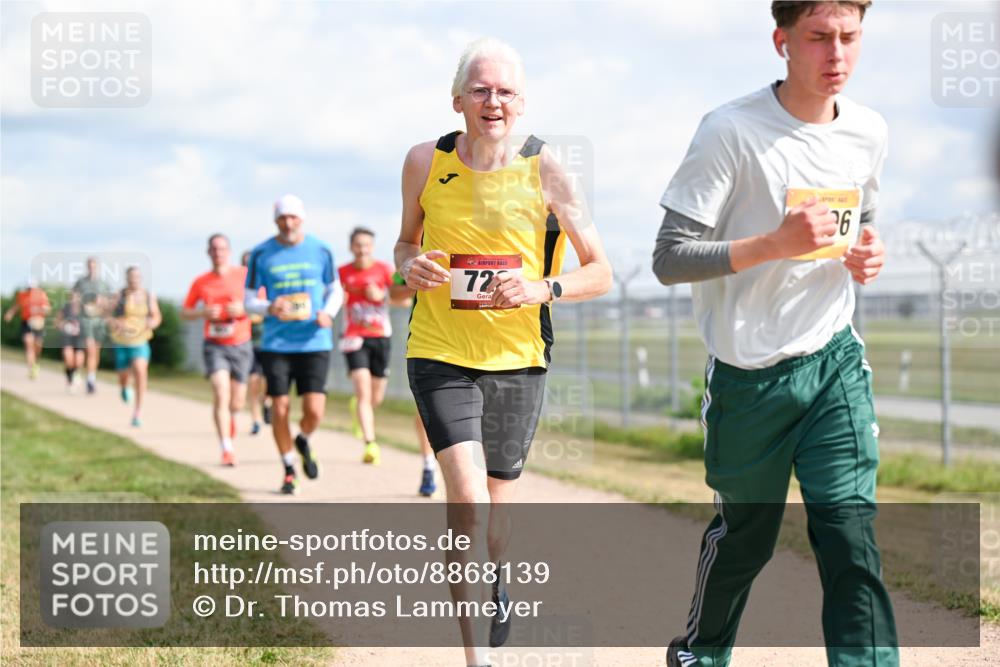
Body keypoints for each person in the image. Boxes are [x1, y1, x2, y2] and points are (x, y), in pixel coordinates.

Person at [653, 3, 897, 666]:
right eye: (819, 38)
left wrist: (867, 252)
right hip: (747, 376)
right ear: (781, 40)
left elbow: (861, 219)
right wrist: (773, 244)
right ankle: (701, 653)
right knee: (747, 539)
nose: (837, 54)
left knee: (849, 529)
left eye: (849, 37)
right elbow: (669, 256)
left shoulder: (869, 130)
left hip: (833, 360)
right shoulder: (729, 131)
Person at [396, 37, 612, 664]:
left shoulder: (548, 170)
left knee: (496, 510)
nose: (495, 102)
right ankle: (476, 657)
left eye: (507, 92)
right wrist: (413, 267)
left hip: (518, 358)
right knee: (463, 497)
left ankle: (498, 577)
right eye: (482, 90)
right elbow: (404, 244)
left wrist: (540, 287)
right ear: (458, 98)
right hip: (438, 350)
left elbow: (601, 271)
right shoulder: (422, 161)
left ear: (523, 102)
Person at [245, 194, 343, 495]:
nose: (288, 223)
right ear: (276, 221)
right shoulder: (262, 253)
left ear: (302, 219)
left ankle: (304, 439)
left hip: (314, 340)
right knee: (281, 407)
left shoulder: (320, 249)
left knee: (314, 410)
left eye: (293, 218)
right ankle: (288, 468)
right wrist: (268, 307)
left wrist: (328, 313)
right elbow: (248, 299)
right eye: (282, 218)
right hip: (277, 343)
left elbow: (335, 289)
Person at [182, 234, 254, 466]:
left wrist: (242, 310)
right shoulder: (201, 281)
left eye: (222, 249)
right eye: (213, 249)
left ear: (229, 252)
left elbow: (263, 310)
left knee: (237, 402)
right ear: (208, 252)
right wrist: (203, 313)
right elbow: (185, 312)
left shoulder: (244, 276)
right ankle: (226, 448)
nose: (218, 253)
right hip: (215, 345)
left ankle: (232, 417)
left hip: (241, 343)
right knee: (220, 391)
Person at [339, 227, 407, 466]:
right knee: (363, 391)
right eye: (357, 245)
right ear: (351, 247)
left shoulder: (385, 270)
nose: (362, 250)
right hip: (353, 337)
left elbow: (405, 297)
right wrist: (340, 300)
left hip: (380, 336)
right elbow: (331, 297)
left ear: (372, 247)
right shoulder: (342, 273)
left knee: (375, 396)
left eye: (366, 245)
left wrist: (383, 296)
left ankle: (360, 409)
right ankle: (371, 443)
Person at [108, 266, 162, 427]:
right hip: (122, 341)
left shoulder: (148, 296)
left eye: (137, 277)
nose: (134, 280)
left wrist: (152, 322)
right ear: (127, 278)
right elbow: (108, 316)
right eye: (131, 277)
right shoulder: (120, 296)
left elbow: (157, 316)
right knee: (123, 376)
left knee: (140, 370)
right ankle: (125, 386)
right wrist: (116, 323)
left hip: (140, 341)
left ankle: (137, 412)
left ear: (140, 278)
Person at [242, 250, 272, 436]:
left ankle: (267, 402)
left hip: (268, 342)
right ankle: (255, 421)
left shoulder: (267, 286)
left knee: (269, 382)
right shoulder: (240, 290)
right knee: (253, 382)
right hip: (247, 343)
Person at [73, 257, 112, 394]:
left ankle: (91, 377)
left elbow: (109, 304)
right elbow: (75, 300)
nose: (91, 268)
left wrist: (103, 303)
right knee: (89, 349)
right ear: (87, 267)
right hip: (85, 320)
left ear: (97, 267)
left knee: (95, 352)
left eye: (94, 265)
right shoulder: (81, 282)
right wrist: (75, 318)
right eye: (89, 265)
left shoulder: (103, 284)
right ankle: (87, 378)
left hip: (99, 321)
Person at [4, 279, 50, 379]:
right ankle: (31, 368)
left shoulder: (42, 295)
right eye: (29, 288)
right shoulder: (23, 295)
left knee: (38, 345)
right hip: (26, 322)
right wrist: (10, 313)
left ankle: (36, 362)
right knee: (28, 343)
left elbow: (47, 309)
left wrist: (39, 309)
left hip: (39, 323)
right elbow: (17, 306)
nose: (31, 290)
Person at [56, 289, 87, 392]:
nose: (74, 299)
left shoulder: (84, 309)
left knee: (78, 361)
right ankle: (70, 379)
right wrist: (62, 325)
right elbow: (57, 321)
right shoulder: (66, 308)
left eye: (76, 296)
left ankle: (76, 375)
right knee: (69, 359)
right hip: (68, 337)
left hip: (79, 338)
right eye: (72, 296)